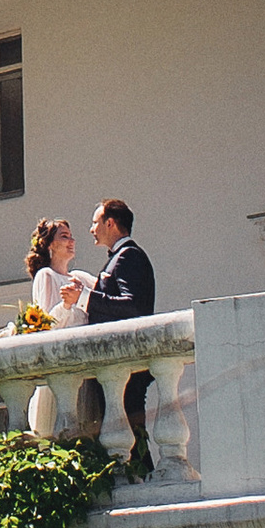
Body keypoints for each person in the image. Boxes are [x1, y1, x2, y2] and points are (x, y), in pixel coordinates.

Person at [81, 195, 158, 455]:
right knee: (125, 434)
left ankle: (142, 481)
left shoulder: (128, 256)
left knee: (130, 437)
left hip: (125, 363)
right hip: (119, 364)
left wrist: (87, 298)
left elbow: (133, 306)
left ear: (110, 223)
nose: (91, 229)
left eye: (95, 222)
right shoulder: (122, 257)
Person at [23, 215, 92, 323]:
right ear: (50, 244)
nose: (72, 241)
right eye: (64, 236)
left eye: (71, 236)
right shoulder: (46, 275)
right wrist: (66, 304)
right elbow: (48, 322)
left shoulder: (80, 277)